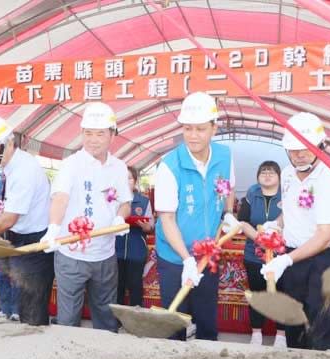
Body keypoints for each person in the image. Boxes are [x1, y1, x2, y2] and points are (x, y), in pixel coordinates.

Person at [261, 112, 330, 352]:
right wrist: (276, 224)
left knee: (325, 335)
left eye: (305, 148)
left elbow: (325, 236)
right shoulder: (288, 174)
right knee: (296, 329)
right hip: (296, 261)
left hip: (328, 262)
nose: (299, 154)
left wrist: (285, 260)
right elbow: (291, 211)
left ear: (321, 145)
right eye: (293, 150)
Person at [40, 102, 131, 332]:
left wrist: (120, 218)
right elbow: (60, 198)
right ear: (81, 133)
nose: (93, 139)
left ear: (112, 135)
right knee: (68, 316)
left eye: (100, 133)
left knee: (105, 315)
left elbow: (125, 202)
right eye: (88, 133)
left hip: (105, 256)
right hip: (71, 255)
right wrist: (53, 229)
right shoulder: (71, 165)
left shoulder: (119, 167)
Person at [154, 92, 237, 341]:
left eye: (200, 129)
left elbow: (228, 188)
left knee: (206, 318)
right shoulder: (169, 166)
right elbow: (167, 219)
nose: (193, 136)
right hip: (173, 257)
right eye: (187, 129)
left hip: (207, 253)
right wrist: (185, 259)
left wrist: (229, 213)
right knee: (176, 322)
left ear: (214, 128)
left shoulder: (225, 156)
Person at [0, 115, 54, 326]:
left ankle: (36, 351)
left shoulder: (24, 169)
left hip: (34, 244)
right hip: (18, 238)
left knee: (32, 310)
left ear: (8, 143)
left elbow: (9, 218)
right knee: (23, 304)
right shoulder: (9, 167)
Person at [237, 161, 286, 348]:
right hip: (254, 253)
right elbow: (242, 221)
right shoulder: (252, 193)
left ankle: (281, 335)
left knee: (281, 293)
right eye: (263, 171)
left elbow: (293, 218)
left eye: (272, 172)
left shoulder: (287, 194)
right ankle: (256, 333)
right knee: (257, 294)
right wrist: (259, 238)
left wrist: (275, 235)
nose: (267, 175)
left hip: (281, 254)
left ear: (279, 177)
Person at [115, 166, 154, 307]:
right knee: (117, 286)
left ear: (135, 181)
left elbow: (151, 225)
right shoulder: (113, 200)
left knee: (135, 286)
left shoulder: (144, 201)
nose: (126, 182)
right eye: (123, 179)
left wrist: (145, 226)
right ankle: (115, 321)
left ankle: (135, 319)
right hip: (115, 251)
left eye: (130, 178)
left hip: (136, 252)